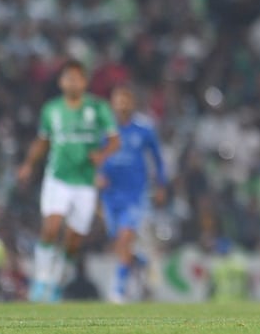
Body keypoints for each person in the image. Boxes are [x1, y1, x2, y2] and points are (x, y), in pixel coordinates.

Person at [17, 59, 121, 302]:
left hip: (85, 182)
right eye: (68, 78)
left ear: (85, 81)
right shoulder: (51, 109)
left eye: (77, 77)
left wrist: (102, 155)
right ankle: (40, 280)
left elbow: (115, 140)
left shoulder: (98, 108)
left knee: (73, 240)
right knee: (51, 226)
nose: (73, 82)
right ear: (61, 82)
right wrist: (28, 164)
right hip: (58, 178)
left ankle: (57, 281)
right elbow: (43, 140)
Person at [98, 86, 168, 303]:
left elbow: (157, 159)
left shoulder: (144, 129)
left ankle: (118, 289)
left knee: (126, 236)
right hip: (110, 196)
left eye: (126, 100)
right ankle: (142, 263)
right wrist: (98, 175)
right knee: (119, 241)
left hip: (135, 195)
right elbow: (95, 157)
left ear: (133, 103)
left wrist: (161, 185)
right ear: (112, 103)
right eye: (118, 100)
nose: (122, 104)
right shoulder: (105, 130)